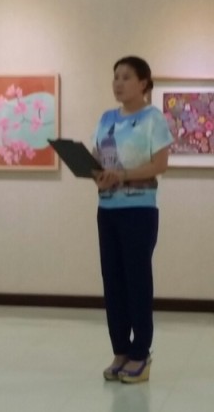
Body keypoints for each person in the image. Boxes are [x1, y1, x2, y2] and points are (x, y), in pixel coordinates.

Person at [92, 56, 173, 384]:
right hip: (107, 210)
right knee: (113, 282)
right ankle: (120, 351)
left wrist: (123, 175)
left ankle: (141, 353)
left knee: (136, 281)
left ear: (143, 83)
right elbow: (97, 157)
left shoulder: (154, 118)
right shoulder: (106, 118)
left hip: (139, 211)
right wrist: (97, 175)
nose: (118, 83)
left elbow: (160, 164)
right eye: (115, 77)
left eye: (126, 77)